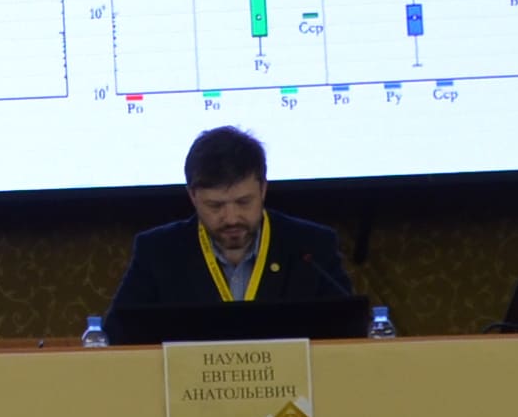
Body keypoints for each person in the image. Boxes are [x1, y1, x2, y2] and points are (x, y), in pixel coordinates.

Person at [106, 126, 356, 313]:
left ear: (263, 189)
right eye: (215, 206)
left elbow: (351, 329)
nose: (231, 218)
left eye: (243, 202)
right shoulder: (158, 252)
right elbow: (115, 339)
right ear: (192, 196)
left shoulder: (311, 248)